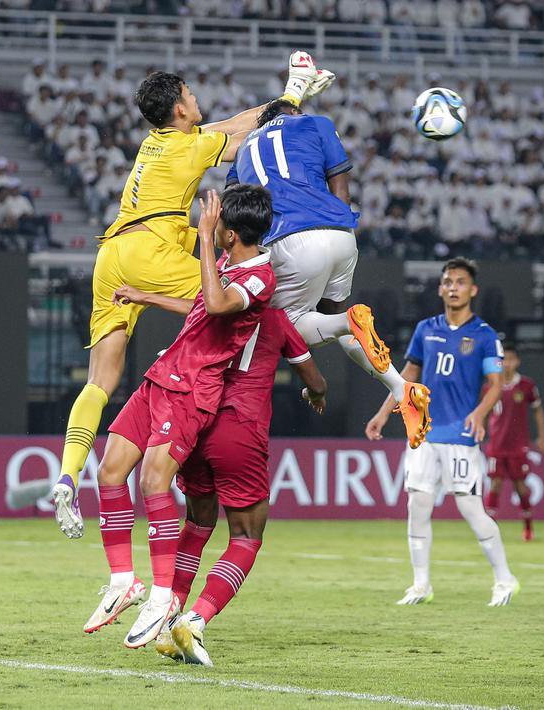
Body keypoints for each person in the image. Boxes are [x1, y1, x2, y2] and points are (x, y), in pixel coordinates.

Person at [52, 51, 335, 539]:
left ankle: (65, 475)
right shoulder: (191, 148)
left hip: (113, 250)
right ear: (180, 109)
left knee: (100, 380)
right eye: (190, 94)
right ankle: (310, 334)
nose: (196, 98)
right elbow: (251, 131)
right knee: (235, 297)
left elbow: (232, 123)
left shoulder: (157, 142)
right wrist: (293, 92)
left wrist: (294, 94)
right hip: (153, 250)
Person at [84, 186, 277, 650]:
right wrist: (144, 296)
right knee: (110, 468)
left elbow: (214, 304)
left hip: (194, 390)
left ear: (230, 232)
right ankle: (123, 580)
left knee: (153, 481)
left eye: (213, 220)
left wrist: (206, 242)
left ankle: (163, 596)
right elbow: (198, 307)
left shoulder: (260, 277)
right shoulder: (228, 265)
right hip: (162, 374)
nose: (203, 223)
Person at [113, 289, 327, 666]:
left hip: (196, 418)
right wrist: (315, 391)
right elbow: (315, 379)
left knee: (198, 522)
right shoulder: (276, 320)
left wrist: (145, 296)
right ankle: (194, 621)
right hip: (240, 428)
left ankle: (168, 615)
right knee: (246, 536)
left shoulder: (212, 312)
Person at [227, 99, 431, 448]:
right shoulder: (316, 123)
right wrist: (338, 228)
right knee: (334, 321)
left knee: (281, 328)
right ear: (291, 113)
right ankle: (401, 389)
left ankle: (229, 413)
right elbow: (340, 186)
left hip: (289, 239)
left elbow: (239, 211)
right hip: (339, 234)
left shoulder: (244, 149)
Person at [365, 257, 519, 607]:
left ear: (472, 289)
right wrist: (382, 414)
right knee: (417, 505)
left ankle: (505, 579)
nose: (453, 287)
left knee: (470, 509)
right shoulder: (426, 329)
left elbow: (496, 384)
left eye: (460, 282)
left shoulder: (484, 335)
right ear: (440, 288)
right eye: (447, 281)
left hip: (461, 436)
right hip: (423, 433)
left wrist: (480, 414)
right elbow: (406, 378)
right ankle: (421, 585)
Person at [483, 343, 544, 541]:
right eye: (503, 360)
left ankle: (528, 528)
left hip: (518, 445)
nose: (507, 364)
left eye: (511, 359)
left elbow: (538, 410)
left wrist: (542, 436)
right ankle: (490, 530)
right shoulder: (490, 386)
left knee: (520, 486)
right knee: (494, 484)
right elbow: (484, 412)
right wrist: (482, 431)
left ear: (517, 361)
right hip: (496, 444)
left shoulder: (526, 386)